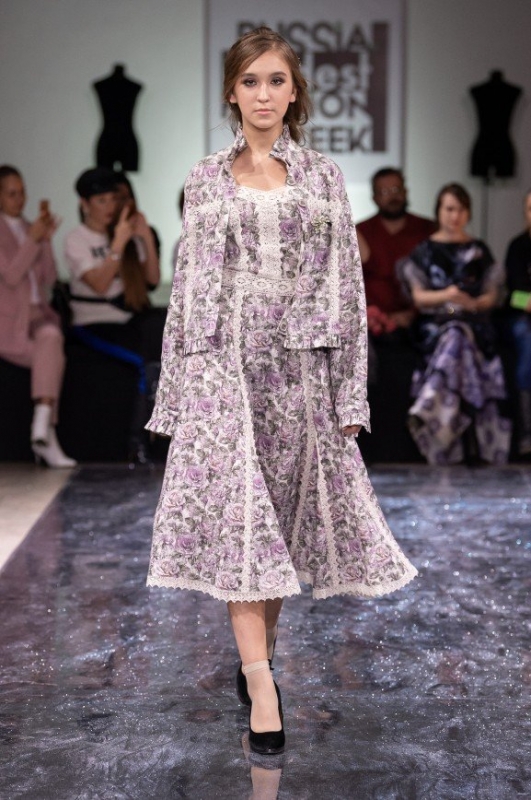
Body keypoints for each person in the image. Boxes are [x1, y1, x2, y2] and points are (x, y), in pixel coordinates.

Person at [146, 27, 417, 755]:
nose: (263, 94)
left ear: (295, 92)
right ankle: (263, 688)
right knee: (240, 519)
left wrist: (349, 395)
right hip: (224, 367)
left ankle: (257, 656)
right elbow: (188, 288)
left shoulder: (323, 176)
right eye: (250, 81)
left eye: (275, 80)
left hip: (297, 369)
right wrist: (177, 393)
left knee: (279, 527)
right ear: (231, 93)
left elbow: (344, 284)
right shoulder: (206, 177)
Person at [402, 183, 511, 465]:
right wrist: (448, 295)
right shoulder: (425, 251)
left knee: (460, 334)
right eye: (449, 209)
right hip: (436, 325)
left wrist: (472, 304)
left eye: (461, 209)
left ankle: (429, 408)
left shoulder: (479, 250)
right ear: (439, 211)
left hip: (473, 323)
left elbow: (492, 294)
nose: (455, 215)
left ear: (468, 213)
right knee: (455, 335)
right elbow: (419, 297)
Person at [64, 167, 163, 461]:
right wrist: (118, 242)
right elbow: (99, 284)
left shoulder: (126, 234)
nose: (109, 207)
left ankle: (164, 441)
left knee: (164, 335)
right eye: (101, 201)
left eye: (112, 199)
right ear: (85, 204)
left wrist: (145, 238)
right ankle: (137, 443)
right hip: (94, 325)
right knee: (145, 364)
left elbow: (153, 279)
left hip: (128, 321)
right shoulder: (77, 239)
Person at [0, 165, 76, 467]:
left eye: (22, 192)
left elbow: (48, 277)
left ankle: (42, 425)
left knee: (51, 337)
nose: (19, 199)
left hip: (37, 316)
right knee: (53, 354)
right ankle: (46, 433)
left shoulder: (30, 227)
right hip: (9, 322)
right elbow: (11, 275)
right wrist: (33, 240)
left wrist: (45, 241)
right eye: (12, 193)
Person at [356, 168, 437, 337]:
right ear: (374, 198)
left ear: (405, 191)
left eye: (396, 189)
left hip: (421, 320)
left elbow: (437, 277)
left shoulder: (428, 229)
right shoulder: (361, 231)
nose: (392, 197)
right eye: (384, 192)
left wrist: (413, 313)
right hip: (371, 325)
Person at [503, 189, 531, 455]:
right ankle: (526, 432)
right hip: (522, 316)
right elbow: (515, 294)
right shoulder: (518, 247)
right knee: (526, 342)